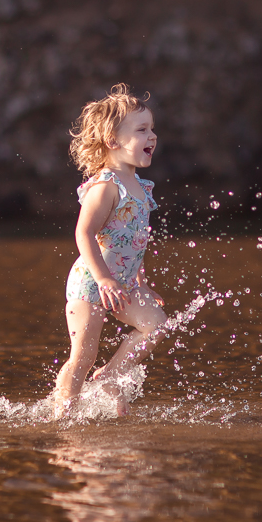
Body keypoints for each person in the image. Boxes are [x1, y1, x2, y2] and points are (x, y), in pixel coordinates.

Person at [53, 84, 167, 418]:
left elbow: (134, 241)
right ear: (113, 141)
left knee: (157, 324)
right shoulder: (105, 187)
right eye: (142, 130)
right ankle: (62, 413)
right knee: (83, 356)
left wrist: (141, 282)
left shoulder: (141, 188)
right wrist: (103, 278)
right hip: (91, 283)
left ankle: (112, 378)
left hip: (123, 284)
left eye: (152, 128)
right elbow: (84, 233)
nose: (153, 136)